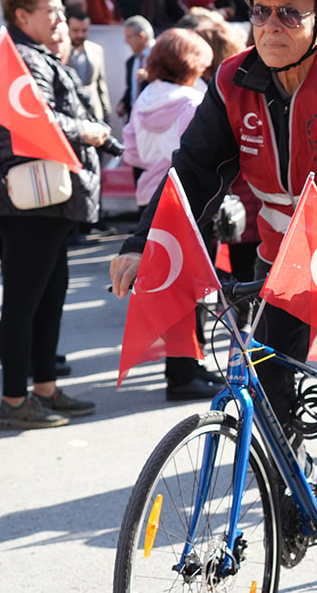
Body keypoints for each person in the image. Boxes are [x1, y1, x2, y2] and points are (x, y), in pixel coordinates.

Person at [110, 0, 317, 525]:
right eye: (260, 13)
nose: (271, 27)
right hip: (289, 250)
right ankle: (287, 493)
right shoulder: (233, 80)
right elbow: (193, 170)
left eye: (289, 15)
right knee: (271, 373)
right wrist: (141, 242)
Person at [0, 0, 113, 429]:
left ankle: (43, 388)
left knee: (49, 296)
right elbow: (33, 122)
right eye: (52, 10)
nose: (62, 17)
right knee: (26, 301)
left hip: (44, 203)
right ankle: (13, 401)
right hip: (27, 204)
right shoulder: (21, 58)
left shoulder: (33, 54)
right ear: (22, 14)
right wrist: (85, 131)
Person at [119, 28, 221, 400]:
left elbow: (130, 152)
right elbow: (198, 158)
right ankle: (184, 374)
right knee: (190, 289)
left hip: (150, 196)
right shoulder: (193, 102)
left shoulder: (145, 97)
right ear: (193, 63)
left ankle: (188, 368)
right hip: (184, 200)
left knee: (171, 288)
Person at [64, 8, 112, 127]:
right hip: (71, 114)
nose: (80, 35)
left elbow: (101, 85)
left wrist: (107, 116)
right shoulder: (60, 52)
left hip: (94, 113)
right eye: (75, 30)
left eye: (84, 30)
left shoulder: (96, 50)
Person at [118, 15, 154, 118]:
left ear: (141, 36)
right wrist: (124, 103)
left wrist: (150, 75)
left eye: (129, 37)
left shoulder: (162, 56)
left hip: (153, 121)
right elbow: (132, 88)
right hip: (134, 121)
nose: (126, 41)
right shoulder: (131, 61)